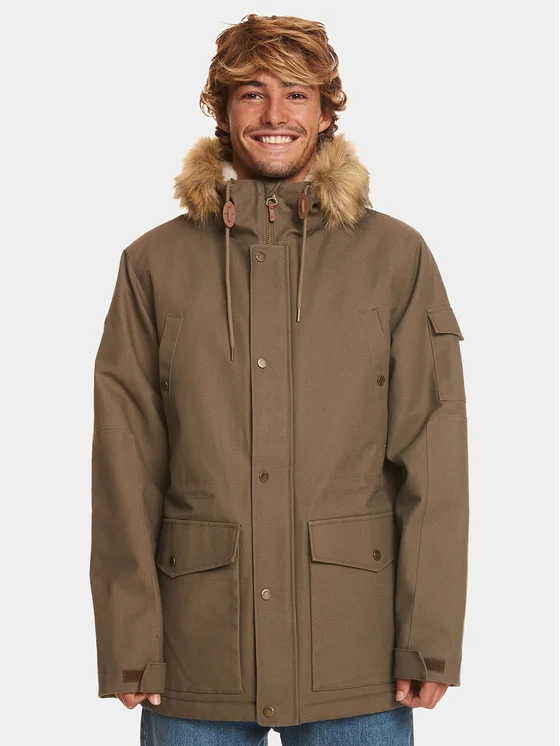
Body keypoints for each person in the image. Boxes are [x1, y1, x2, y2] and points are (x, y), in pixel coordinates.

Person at [89, 13, 469, 746]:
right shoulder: (153, 265)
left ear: (326, 113)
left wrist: (428, 637)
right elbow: (124, 462)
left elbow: (433, 454)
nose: (274, 115)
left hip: (355, 655)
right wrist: (129, 638)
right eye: (251, 94)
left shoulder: (395, 258)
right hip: (196, 654)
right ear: (222, 111)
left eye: (296, 94)